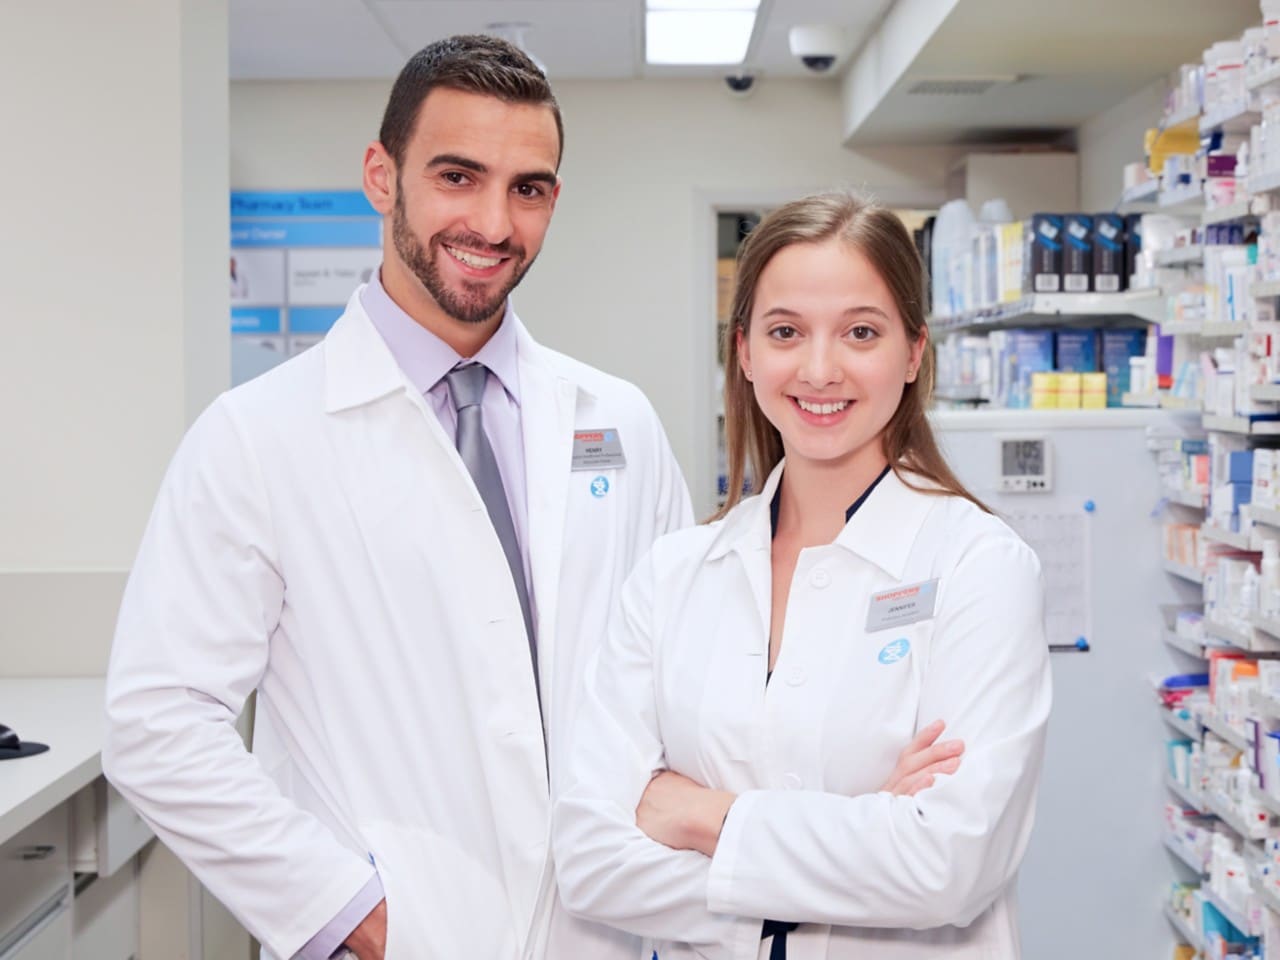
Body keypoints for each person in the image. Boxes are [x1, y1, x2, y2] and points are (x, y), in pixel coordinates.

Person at [102, 35, 697, 960]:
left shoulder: (617, 422)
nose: (495, 224)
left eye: (528, 188)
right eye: (458, 176)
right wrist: (360, 917)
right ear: (382, 176)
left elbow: (684, 683)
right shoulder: (256, 437)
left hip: (604, 933)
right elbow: (157, 723)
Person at [552, 192, 1051, 960]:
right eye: (787, 332)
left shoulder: (978, 567)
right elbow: (589, 860)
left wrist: (693, 815)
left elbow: (947, 865)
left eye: (861, 331)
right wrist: (859, 836)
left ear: (914, 352)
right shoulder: (675, 574)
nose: (821, 369)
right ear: (745, 350)